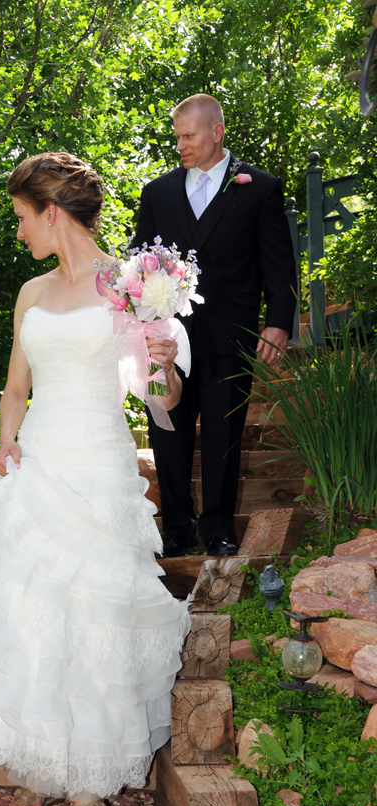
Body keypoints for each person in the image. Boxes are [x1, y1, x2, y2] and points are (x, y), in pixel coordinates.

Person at [0, 152, 192, 806]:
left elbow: (163, 397)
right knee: (33, 611)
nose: (18, 234)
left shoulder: (130, 287)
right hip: (38, 461)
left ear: (50, 211)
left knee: (91, 621)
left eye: (20, 218)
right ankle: (43, 764)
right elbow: (15, 386)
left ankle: (89, 785)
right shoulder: (31, 294)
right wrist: (6, 439)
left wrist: (162, 361)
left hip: (98, 464)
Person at [132, 94, 298, 558]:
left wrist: (278, 323)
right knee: (169, 431)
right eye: (177, 136)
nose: (179, 144)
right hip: (168, 338)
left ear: (215, 132)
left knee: (225, 436)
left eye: (188, 136)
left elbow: (279, 263)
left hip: (233, 332)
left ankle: (219, 529)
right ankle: (177, 529)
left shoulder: (260, 188)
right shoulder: (157, 193)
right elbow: (139, 263)